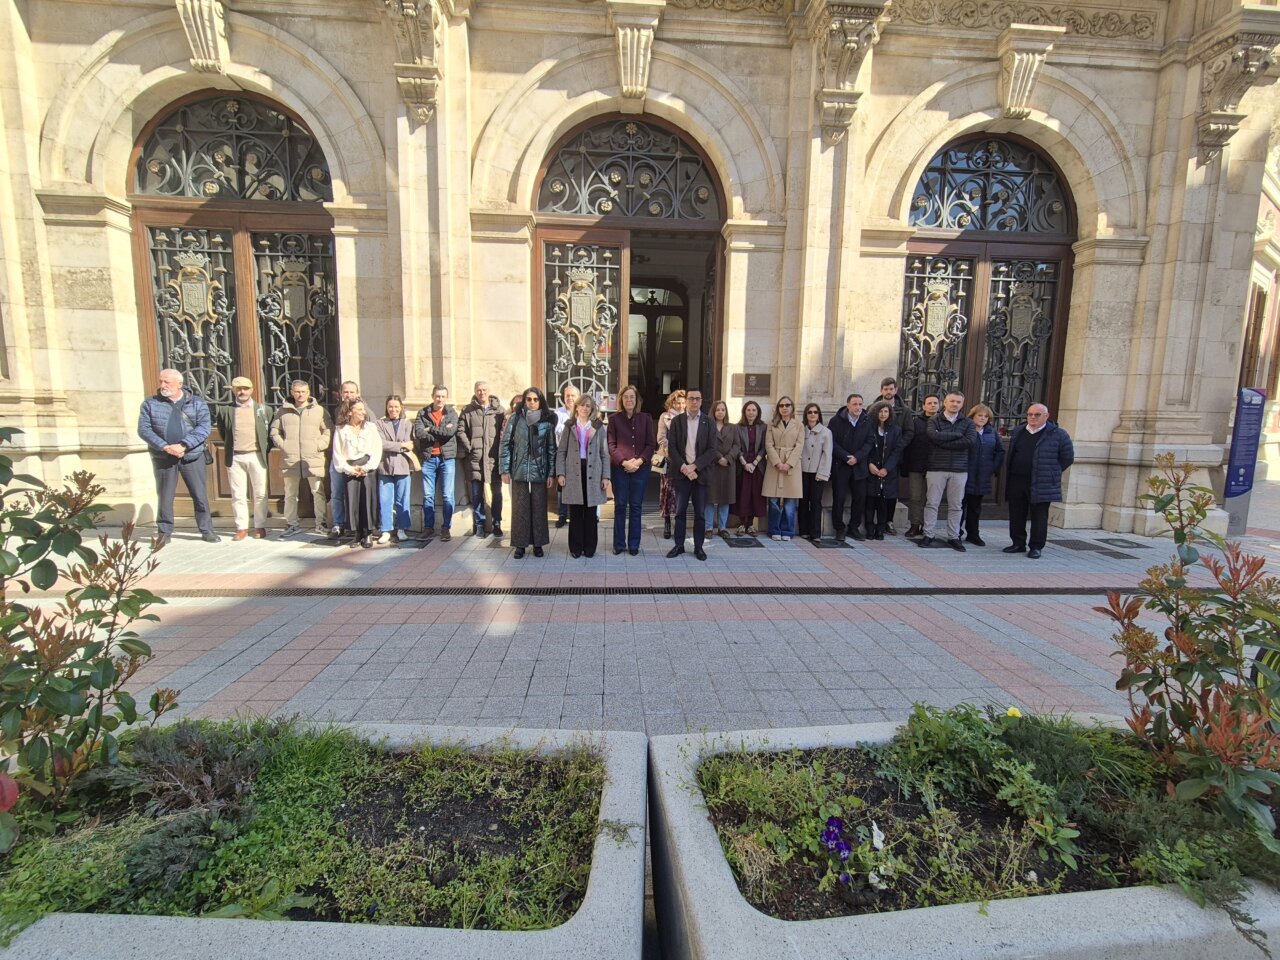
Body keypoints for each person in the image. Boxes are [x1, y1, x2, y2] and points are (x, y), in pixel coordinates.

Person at [136, 368, 220, 544]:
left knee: (199, 494)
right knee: (165, 495)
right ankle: (164, 532)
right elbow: (144, 429)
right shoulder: (150, 403)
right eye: (161, 381)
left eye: (167, 382)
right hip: (164, 457)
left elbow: (204, 427)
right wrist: (165, 446)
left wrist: (184, 445)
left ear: (179, 384)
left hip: (191, 455)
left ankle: (206, 529)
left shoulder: (196, 403)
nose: (162, 385)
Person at [1003, 403, 1075, 559]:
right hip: (1017, 480)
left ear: (1046, 416)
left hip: (1042, 482)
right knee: (1016, 513)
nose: (1032, 417)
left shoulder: (1059, 434)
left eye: (1037, 415)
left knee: (1039, 516)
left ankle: (1036, 546)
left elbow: (1067, 458)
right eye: (1030, 414)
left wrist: (1051, 472)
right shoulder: (1018, 431)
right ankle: (1018, 543)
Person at [271, 379, 332, 537]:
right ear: (292, 392)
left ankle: (321, 523)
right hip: (290, 459)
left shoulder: (319, 410)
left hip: (313, 458)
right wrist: (284, 445)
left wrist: (319, 445)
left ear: (309, 393)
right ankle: (291, 524)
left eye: (303, 391)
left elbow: (328, 430)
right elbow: (274, 431)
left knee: (318, 492)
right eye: (297, 391)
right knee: (290, 493)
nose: (300, 395)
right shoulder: (282, 411)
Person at [501, 387, 557, 559]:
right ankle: (520, 545)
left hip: (539, 470)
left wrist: (551, 473)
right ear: (524, 401)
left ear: (540, 401)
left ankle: (538, 544)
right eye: (529, 399)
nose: (532, 402)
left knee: (539, 508)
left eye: (535, 399)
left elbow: (551, 450)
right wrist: (505, 469)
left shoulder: (547, 422)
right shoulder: (516, 419)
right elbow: (506, 445)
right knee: (520, 508)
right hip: (519, 470)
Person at [214, 376, 272, 541]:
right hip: (236, 457)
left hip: (256, 455)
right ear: (233, 390)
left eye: (245, 388)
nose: (242, 392)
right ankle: (242, 527)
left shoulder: (263, 410)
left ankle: (260, 525)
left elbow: (267, 435)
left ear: (252, 390)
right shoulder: (225, 410)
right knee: (238, 494)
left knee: (260, 492)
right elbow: (223, 433)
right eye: (238, 389)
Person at [556, 393, 612, 558]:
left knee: (590, 512)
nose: (585, 408)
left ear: (592, 408)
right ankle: (575, 547)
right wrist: (560, 473)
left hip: (593, 472)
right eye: (582, 405)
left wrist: (605, 476)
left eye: (588, 406)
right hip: (573, 472)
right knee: (575, 512)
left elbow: (604, 453)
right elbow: (561, 452)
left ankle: (589, 548)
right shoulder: (569, 425)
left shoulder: (598, 426)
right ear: (577, 407)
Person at [919, 391, 975, 552]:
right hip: (936, 467)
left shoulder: (968, 423)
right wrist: (957, 436)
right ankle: (928, 534)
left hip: (959, 469)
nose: (955, 404)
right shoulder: (934, 420)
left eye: (958, 402)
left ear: (962, 404)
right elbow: (931, 436)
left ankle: (954, 536)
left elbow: (970, 441)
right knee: (932, 503)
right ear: (945, 402)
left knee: (956, 505)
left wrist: (943, 439)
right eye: (952, 401)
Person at [665, 386, 716, 561]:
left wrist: (694, 466)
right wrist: (684, 467)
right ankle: (679, 545)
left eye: (697, 399)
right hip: (681, 474)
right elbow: (671, 448)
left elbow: (712, 450)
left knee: (700, 513)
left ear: (701, 401)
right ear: (685, 401)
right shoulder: (677, 421)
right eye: (691, 398)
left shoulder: (709, 422)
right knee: (680, 512)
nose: (694, 401)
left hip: (700, 474)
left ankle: (699, 547)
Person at [607, 383, 655, 556]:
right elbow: (611, 446)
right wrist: (624, 462)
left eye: (632, 397)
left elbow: (651, 444)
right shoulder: (614, 420)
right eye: (626, 397)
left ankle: (634, 544)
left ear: (636, 400)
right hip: (620, 469)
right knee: (620, 506)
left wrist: (639, 461)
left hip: (640, 470)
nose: (629, 400)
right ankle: (619, 544)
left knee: (635, 506)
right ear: (621, 400)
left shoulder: (646, 418)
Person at [458, 381, 505, 538]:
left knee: (497, 493)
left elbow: (503, 432)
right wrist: (469, 446)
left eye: (484, 390)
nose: (482, 393)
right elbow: (461, 431)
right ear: (475, 392)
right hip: (475, 459)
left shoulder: (499, 411)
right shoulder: (468, 410)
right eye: (479, 390)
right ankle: (479, 524)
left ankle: (497, 523)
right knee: (477, 494)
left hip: (494, 459)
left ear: (489, 391)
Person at [413, 385, 459, 541]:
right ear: (432, 396)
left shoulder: (451, 412)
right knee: (428, 496)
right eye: (437, 396)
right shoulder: (423, 413)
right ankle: (428, 528)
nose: (440, 399)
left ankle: (446, 528)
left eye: (443, 396)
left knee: (447, 495)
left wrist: (430, 429)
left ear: (446, 398)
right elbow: (419, 434)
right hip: (429, 458)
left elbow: (450, 433)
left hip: (447, 459)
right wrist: (439, 431)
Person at [333, 399, 380, 548]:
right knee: (353, 501)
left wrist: (367, 467)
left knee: (367, 499)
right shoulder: (341, 430)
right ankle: (357, 533)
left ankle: (368, 533)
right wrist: (349, 469)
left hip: (367, 467)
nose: (363, 412)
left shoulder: (370, 427)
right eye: (359, 409)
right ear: (349, 412)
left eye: (363, 409)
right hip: (350, 467)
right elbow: (338, 454)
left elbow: (377, 449)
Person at [828, 393, 874, 541]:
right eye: (854, 404)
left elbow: (869, 442)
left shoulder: (867, 421)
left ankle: (853, 528)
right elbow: (832, 442)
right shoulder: (836, 421)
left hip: (859, 466)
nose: (858, 407)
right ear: (848, 405)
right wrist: (846, 457)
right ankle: (839, 528)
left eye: (860, 404)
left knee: (859, 498)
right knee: (839, 498)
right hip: (841, 465)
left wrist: (858, 457)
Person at [875, 378, 916, 535]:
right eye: (885, 389)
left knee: (891, 492)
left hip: (894, 457)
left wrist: (898, 445)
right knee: (876, 491)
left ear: (896, 390)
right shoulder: (874, 407)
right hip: (877, 456)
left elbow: (909, 431)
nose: (888, 392)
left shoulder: (904, 410)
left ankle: (888, 522)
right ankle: (876, 522)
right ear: (881, 390)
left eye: (891, 389)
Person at [962, 402, 1005, 547]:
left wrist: (993, 467)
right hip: (964, 473)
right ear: (972, 416)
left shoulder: (991, 432)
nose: (982, 418)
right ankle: (955, 533)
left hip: (982, 475)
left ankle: (973, 534)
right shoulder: (965, 429)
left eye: (985, 416)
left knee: (975, 507)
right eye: (979, 415)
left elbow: (1000, 451)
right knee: (959, 505)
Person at [763, 396, 803, 541]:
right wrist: (777, 462)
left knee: (790, 501)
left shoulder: (798, 425)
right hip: (775, 464)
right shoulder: (772, 424)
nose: (784, 408)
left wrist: (789, 463)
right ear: (778, 408)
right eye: (781, 405)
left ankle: (787, 530)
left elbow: (799, 445)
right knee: (773, 500)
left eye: (787, 405)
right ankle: (774, 529)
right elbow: (768, 444)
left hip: (792, 466)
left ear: (792, 407)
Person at [376, 396, 415, 544]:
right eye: (390, 406)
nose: (393, 410)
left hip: (403, 465)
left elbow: (410, 443)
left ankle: (402, 528)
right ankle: (386, 529)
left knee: (402, 499)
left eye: (396, 407)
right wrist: (400, 446)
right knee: (385, 499)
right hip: (385, 466)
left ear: (401, 408)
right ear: (386, 407)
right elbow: (381, 443)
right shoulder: (380, 423)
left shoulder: (407, 423)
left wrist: (400, 445)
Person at [901, 395, 938, 540]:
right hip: (916, 466)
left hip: (935, 467)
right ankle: (915, 524)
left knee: (931, 499)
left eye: (935, 403)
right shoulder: (916, 423)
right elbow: (909, 444)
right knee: (915, 497)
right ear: (924, 406)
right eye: (929, 403)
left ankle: (928, 526)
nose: (932, 405)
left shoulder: (942, 423)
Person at [864, 400, 903, 540]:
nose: (883, 414)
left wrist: (887, 468)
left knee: (883, 503)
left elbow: (897, 451)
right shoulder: (869, 428)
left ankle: (880, 529)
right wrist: (869, 464)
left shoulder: (896, 430)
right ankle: (869, 528)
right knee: (870, 502)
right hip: (871, 470)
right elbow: (865, 448)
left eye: (886, 411)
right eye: (880, 411)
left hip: (887, 472)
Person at [328, 380, 361, 537]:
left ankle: (354, 525)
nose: (348, 395)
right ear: (341, 394)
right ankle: (338, 524)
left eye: (352, 392)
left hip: (356, 460)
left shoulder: (363, 410)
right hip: (338, 458)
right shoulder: (335, 411)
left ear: (358, 394)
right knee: (337, 492)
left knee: (355, 494)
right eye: (346, 392)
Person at [798, 403, 833, 542]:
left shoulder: (826, 432)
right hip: (802, 470)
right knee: (803, 501)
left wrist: (823, 472)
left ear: (819, 415)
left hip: (817, 472)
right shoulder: (801, 430)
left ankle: (816, 533)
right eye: (809, 412)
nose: (812, 415)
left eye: (815, 412)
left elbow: (827, 454)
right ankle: (803, 530)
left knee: (816, 502)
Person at [705, 400, 740, 537]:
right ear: (713, 411)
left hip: (728, 467)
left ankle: (722, 527)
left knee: (725, 498)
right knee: (710, 499)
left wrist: (728, 458)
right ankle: (708, 527)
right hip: (712, 466)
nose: (720, 412)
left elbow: (737, 446)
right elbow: (706, 445)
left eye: (723, 410)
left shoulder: (733, 427)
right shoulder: (708, 426)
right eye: (718, 409)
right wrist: (719, 458)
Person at [655, 389, 687, 540]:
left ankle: (679, 522)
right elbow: (661, 438)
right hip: (668, 459)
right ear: (672, 403)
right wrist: (673, 453)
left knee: (681, 491)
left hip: (685, 460)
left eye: (683, 403)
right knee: (667, 491)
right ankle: (667, 521)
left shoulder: (689, 417)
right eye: (678, 403)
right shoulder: (665, 416)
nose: (681, 406)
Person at [735, 400, 767, 536]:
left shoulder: (763, 427)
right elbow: (736, 446)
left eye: (754, 410)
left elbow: (764, 447)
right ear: (744, 412)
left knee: (755, 495)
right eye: (748, 410)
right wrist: (744, 463)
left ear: (758, 412)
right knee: (743, 494)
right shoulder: (738, 427)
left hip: (757, 465)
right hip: (742, 465)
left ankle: (751, 525)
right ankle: (742, 524)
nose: (751, 412)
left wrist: (754, 463)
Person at [553, 384, 581, 529]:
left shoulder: (582, 412)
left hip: (580, 456)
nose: (570, 398)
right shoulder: (557, 414)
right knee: (562, 485)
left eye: (573, 395)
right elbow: (555, 434)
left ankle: (592, 515)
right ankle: (562, 514)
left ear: (578, 397)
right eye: (567, 396)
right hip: (563, 454)